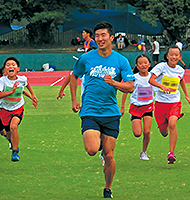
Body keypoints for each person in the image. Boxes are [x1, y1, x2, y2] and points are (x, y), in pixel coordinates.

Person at [69, 21, 135, 198]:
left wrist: (114, 83)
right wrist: (74, 99)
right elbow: (73, 75)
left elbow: (130, 87)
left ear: (111, 37)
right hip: (90, 111)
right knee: (92, 149)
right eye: (97, 36)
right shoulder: (86, 58)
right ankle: (97, 142)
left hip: (111, 113)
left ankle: (108, 188)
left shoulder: (121, 61)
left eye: (103, 35)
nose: (100, 39)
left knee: (109, 155)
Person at [148, 45, 190, 164]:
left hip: (174, 101)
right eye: (171, 54)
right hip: (160, 103)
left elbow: (181, 80)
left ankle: (171, 153)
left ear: (180, 57)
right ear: (167, 56)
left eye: (176, 55)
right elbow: (151, 80)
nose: (174, 57)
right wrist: (161, 86)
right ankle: (169, 119)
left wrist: (187, 96)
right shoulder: (161, 67)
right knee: (164, 133)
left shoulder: (180, 70)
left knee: (172, 124)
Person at [0, 56, 38, 162]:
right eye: (8, 65)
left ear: (17, 69)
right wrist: (10, 92)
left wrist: (33, 96)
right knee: (8, 134)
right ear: (5, 69)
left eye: (13, 65)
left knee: (14, 126)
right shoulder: (2, 81)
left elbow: (26, 85)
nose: (10, 66)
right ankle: (12, 143)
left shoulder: (22, 79)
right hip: (4, 110)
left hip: (18, 108)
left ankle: (15, 152)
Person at [120, 54, 153, 161]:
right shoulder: (134, 78)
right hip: (136, 107)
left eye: (145, 62)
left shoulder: (153, 76)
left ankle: (144, 152)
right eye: (140, 63)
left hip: (148, 106)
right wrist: (122, 106)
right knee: (137, 134)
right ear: (137, 66)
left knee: (147, 131)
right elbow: (126, 91)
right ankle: (132, 117)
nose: (143, 65)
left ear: (149, 64)